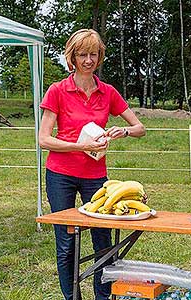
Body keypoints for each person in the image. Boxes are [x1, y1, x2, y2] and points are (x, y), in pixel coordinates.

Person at [39, 29, 145, 300]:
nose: (88, 60)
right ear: (72, 57)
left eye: (93, 54)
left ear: (100, 58)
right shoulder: (57, 91)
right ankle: (72, 297)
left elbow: (139, 127)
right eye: (82, 54)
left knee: (103, 241)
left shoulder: (107, 92)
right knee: (66, 243)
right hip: (60, 174)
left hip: (96, 176)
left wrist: (123, 131)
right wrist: (80, 146)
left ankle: (102, 296)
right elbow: (43, 139)